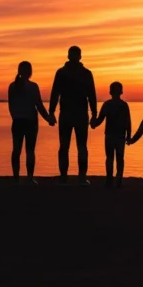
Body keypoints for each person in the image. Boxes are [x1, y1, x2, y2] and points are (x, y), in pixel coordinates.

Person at [50, 46, 98, 185]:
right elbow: (91, 96)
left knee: (69, 146)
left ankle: (67, 177)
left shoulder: (64, 72)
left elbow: (55, 93)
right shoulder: (84, 73)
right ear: (79, 57)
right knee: (77, 146)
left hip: (71, 114)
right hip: (76, 114)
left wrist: (51, 112)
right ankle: (79, 177)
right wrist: (94, 114)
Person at [8, 61, 55, 184]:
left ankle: (16, 178)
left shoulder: (12, 86)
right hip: (30, 122)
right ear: (30, 72)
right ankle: (29, 178)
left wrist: (15, 117)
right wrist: (48, 118)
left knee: (16, 150)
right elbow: (39, 105)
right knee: (30, 150)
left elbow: (11, 105)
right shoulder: (33, 86)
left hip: (17, 121)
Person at [91, 81, 132, 189]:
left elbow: (100, 119)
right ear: (121, 92)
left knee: (109, 158)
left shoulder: (107, 104)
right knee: (120, 158)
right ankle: (118, 180)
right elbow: (128, 122)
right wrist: (129, 135)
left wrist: (94, 124)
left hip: (110, 135)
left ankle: (109, 180)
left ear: (110, 92)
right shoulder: (124, 105)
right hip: (120, 136)